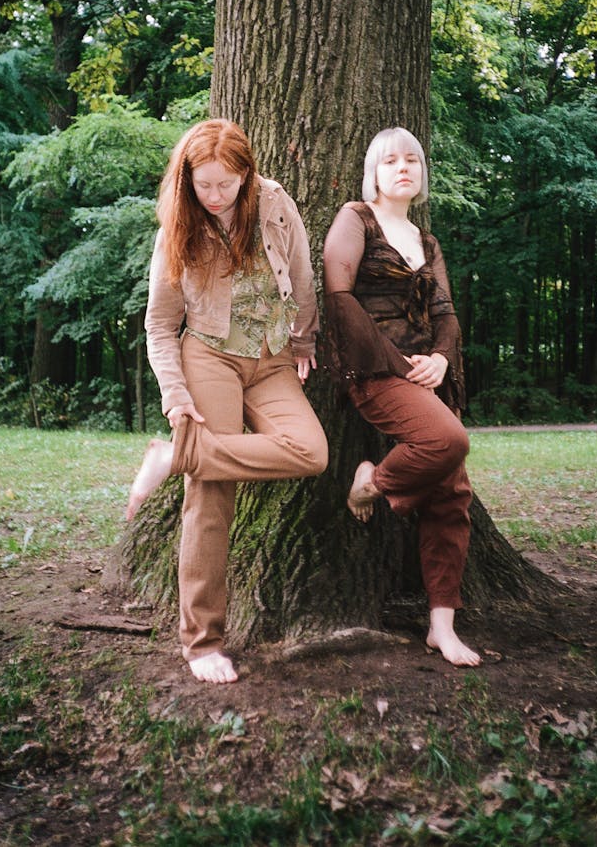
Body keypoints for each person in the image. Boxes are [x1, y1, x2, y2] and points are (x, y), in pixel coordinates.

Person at [126, 119, 328, 684]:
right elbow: (160, 325)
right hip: (208, 356)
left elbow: (305, 275)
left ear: (247, 173)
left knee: (312, 452)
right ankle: (203, 641)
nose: (214, 196)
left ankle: (175, 456)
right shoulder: (178, 227)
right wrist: (175, 395)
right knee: (211, 496)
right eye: (203, 185)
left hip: (270, 360)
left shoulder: (275, 203)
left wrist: (305, 340)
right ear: (187, 179)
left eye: (226, 184)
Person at [322, 127, 480, 667]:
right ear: (375, 172)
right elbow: (340, 300)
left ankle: (441, 624)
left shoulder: (426, 241)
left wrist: (440, 358)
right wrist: (397, 364)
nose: (403, 168)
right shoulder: (356, 219)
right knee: (448, 439)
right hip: (374, 369)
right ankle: (374, 483)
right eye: (390, 161)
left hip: (428, 375)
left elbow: (446, 315)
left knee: (451, 496)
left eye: (412, 159)